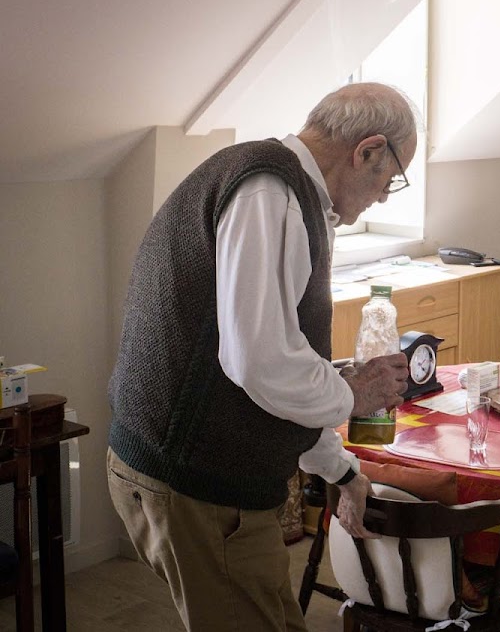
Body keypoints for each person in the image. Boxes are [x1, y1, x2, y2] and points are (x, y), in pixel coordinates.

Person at [106, 82, 415, 631]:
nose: (385, 197)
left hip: (194, 474)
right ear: (367, 150)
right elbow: (261, 361)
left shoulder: (286, 193)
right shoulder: (268, 191)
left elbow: (287, 361)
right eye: (390, 178)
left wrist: (342, 472)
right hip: (193, 481)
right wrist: (352, 393)